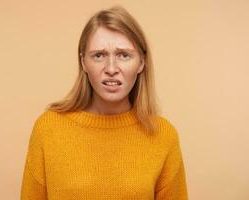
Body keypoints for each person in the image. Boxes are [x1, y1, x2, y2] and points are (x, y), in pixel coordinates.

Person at [20, 5, 188, 200]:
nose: (111, 68)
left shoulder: (163, 135)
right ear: (83, 62)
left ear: (141, 62)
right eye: (99, 55)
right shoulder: (47, 129)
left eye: (123, 55)